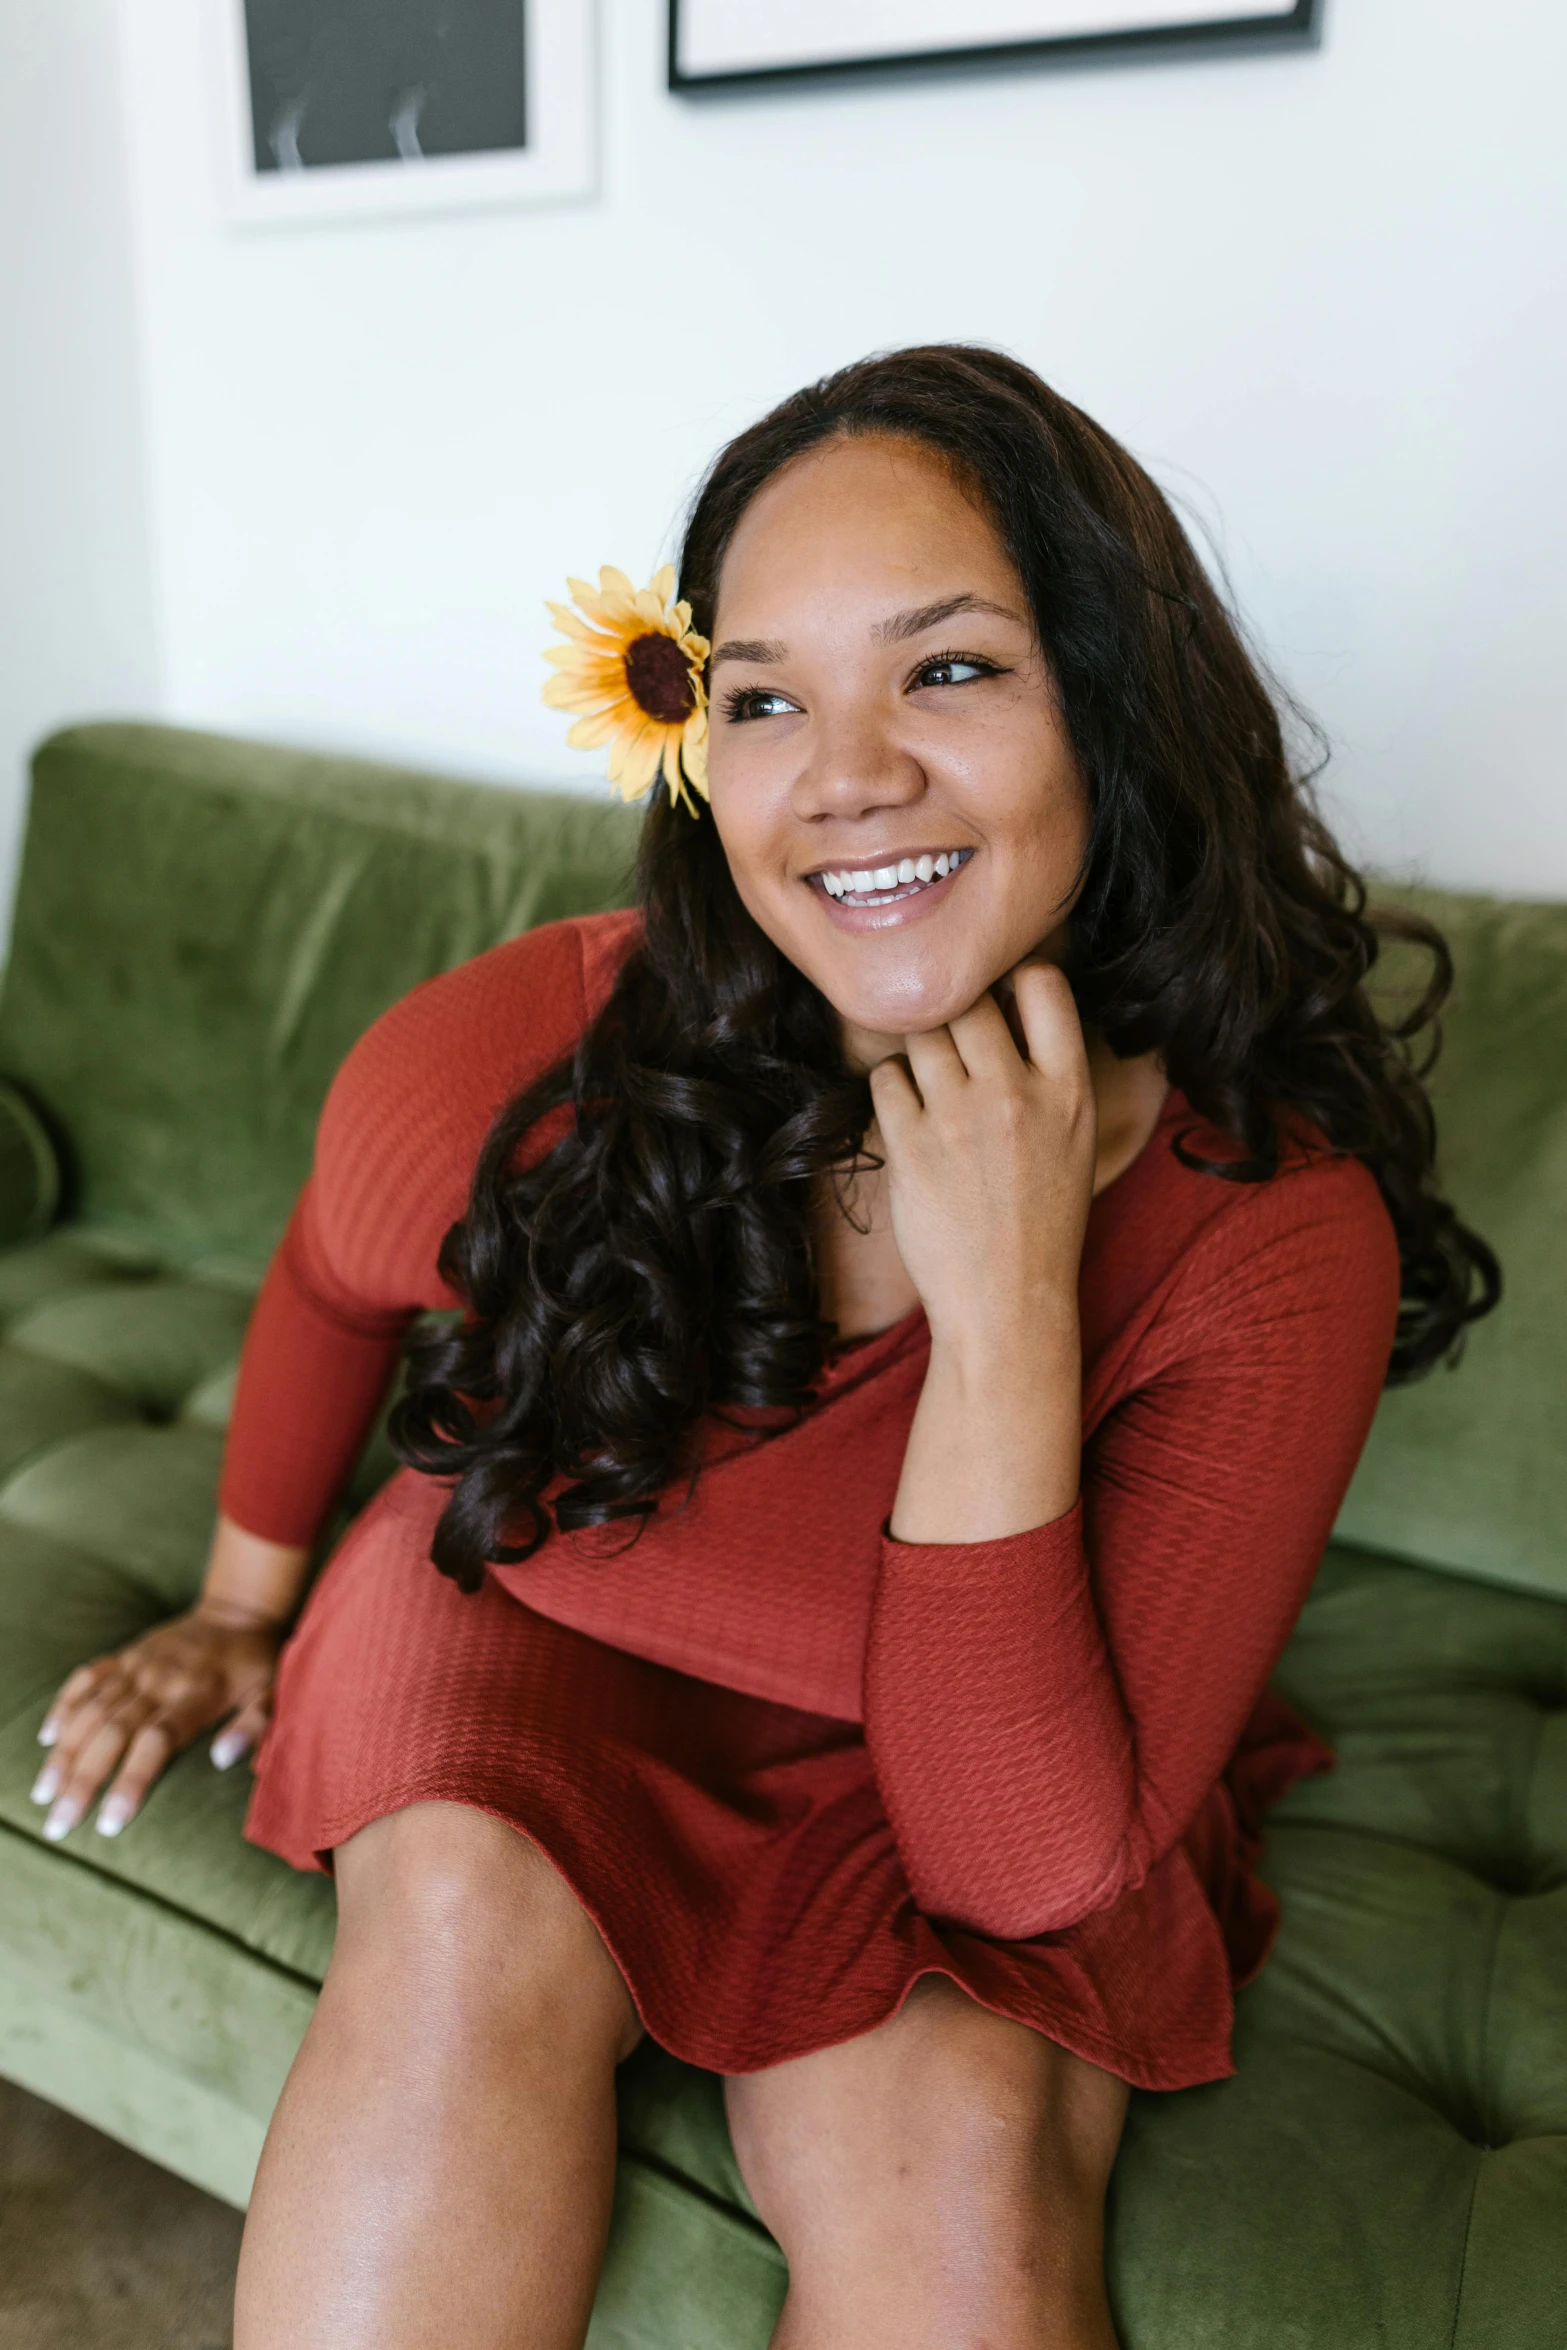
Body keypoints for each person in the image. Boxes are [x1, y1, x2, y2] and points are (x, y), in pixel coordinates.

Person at [32, 347, 1495, 2350]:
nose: (847, 771)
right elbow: (329, 1274)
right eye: (767, 696)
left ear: (1116, 703)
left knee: (969, 2161)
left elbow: (1019, 1861)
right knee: (456, 1924)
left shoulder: (1269, 1230)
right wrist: (229, 1598)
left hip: (982, 1706)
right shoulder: (521, 1049)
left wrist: (1006, 1312)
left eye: (950, 669)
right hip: (537, 1611)